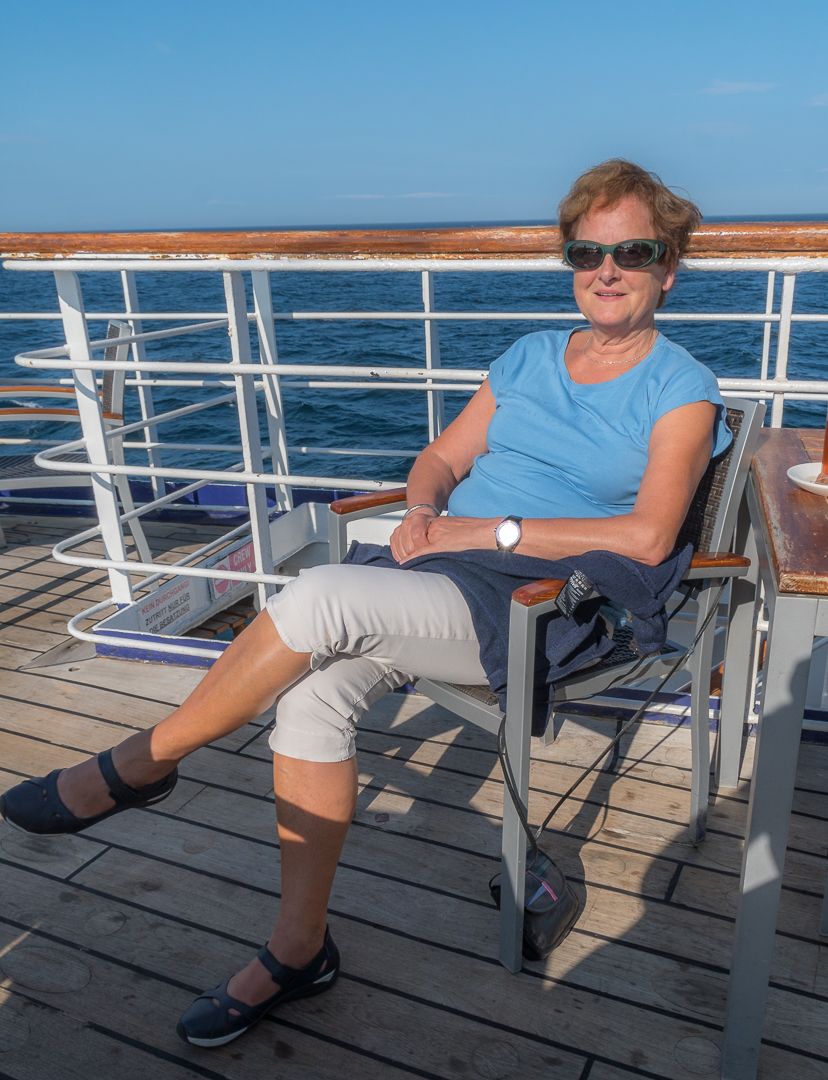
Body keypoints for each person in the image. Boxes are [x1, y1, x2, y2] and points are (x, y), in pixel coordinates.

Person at [0, 158, 731, 1046]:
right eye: (586, 253)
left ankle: (131, 769)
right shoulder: (529, 356)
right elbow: (438, 459)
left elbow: (650, 538)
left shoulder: (679, 386)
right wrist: (426, 508)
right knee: (310, 697)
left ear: (669, 266)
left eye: (632, 251)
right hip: (443, 577)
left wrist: (479, 532)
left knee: (315, 598)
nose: (605, 271)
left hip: (551, 601)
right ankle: (298, 950)